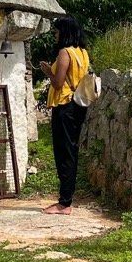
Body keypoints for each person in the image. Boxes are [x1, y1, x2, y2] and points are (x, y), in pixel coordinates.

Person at [38, 15, 91, 215]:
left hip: (64, 105)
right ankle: (66, 199)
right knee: (71, 150)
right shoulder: (82, 53)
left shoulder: (65, 52)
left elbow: (58, 83)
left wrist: (47, 71)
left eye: (57, 31)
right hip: (77, 104)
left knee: (63, 152)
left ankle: (64, 202)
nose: (55, 35)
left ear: (64, 32)